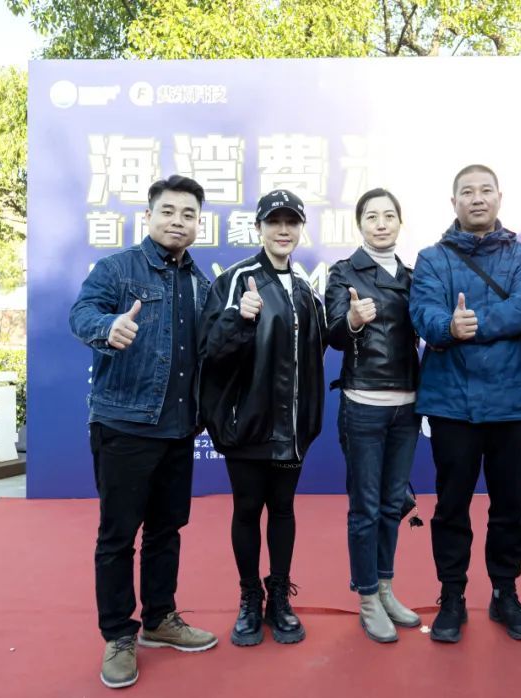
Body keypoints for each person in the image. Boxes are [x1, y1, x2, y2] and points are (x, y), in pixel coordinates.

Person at [69, 175, 217, 689]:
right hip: (124, 425)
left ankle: (159, 618)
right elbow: (82, 313)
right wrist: (107, 327)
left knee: (165, 530)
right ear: (148, 216)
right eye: (168, 211)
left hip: (179, 428)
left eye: (189, 214)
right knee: (117, 536)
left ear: (198, 223)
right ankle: (118, 634)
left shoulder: (200, 283)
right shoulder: (118, 268)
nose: (178, 221)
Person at [409, 164, 521, 643]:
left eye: (486, 190)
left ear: (499, 198)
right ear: (454, 203)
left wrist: (471, 326)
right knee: (451, 507)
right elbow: (423, 311)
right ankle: (452, 596)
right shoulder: (431, 258)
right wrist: (446, 326)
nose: (478, 198)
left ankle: (506, 593)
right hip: (451, 403)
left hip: (511, 402)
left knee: (510, 507)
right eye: (468, 191)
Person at [199, 189, 327, 647]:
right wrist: (238, 318)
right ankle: (250, 598)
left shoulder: (306, 289)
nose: (283, 230)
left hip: (291, 431)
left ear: (300, 229)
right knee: (248, 509)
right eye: (275, 222)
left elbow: (316, 352)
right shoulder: (237, 280)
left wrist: (351, 322)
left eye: (292, 222)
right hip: (247, 425)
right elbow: (210, 352)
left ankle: (279, 598)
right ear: (259, 228)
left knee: (284, 509)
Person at [325, 188, 422, 643]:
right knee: (365, 507)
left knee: (391, 504)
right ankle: (366, 597)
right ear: (359, 224)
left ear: (400, 223)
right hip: (363, 402)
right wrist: (353, 320)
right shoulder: (344, 272)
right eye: (371, 216)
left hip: (408, 405)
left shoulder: (413, 275)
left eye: (389, 216)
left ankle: (385, 588)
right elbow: (332, 334)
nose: (381, 224)